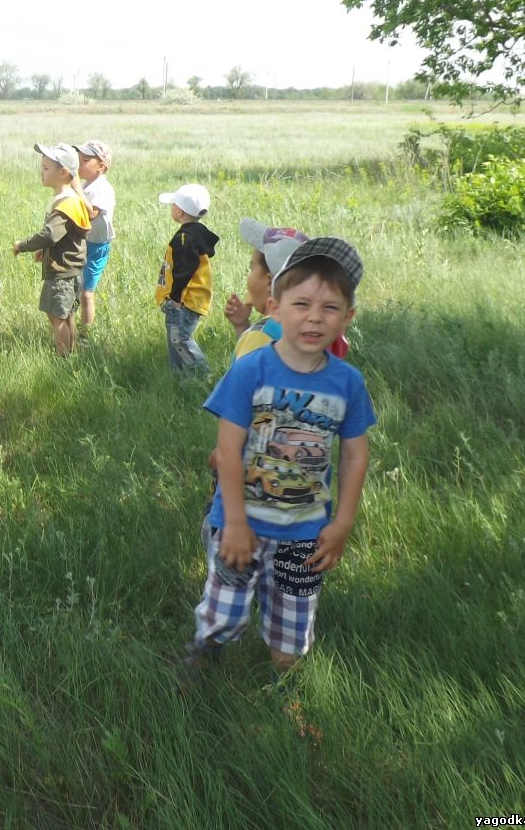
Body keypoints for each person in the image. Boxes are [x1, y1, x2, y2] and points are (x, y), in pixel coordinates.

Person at [185, 238, 375, 688]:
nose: (314, 316)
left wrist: (343, 521)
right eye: (302, 303)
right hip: (241, 524)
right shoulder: (251, 370)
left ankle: (282, 693)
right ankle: (203, 653)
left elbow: (354, 453)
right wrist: (233, 522)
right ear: (274, 307)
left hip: (305, 533)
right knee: (224, 612)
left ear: (347, 317)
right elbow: (227, 451)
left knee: (291, 636)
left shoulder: (347, 383)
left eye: (330, 307)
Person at [12, 143, 91, 357]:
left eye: (47, 168)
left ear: (63, 172)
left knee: (56, 317)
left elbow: (48, 234)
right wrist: (46, 251)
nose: (42, 171)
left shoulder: (65, 205)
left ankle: (63, 359)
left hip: (61, 273)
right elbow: (61, 237)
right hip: (71, 271)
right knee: (67, 315)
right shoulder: (71, 201)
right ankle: (71, 352)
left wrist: (23, 246)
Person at [155, 183, 219, 377]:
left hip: (182, 302)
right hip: (190, 299)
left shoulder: (184, 238)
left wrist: (174, 299)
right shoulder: (196, 233)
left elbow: (184, 271)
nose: (171, 208)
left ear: (180, 211)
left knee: (180, 339)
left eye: (173, 204)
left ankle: (202, 376)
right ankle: (181, 379)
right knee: (176, 340)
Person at [224, 219, 308, 362]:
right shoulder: (311, 329)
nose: (249, 275)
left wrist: (250, 333)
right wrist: (242, 326)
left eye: (251, 268)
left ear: (270, 282)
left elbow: (243, 381)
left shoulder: (259, 336)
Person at [74, 141, 116, 336]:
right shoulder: (85, 185)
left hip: (97, 247)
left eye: (85, 160)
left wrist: (75, 189)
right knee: (75, 288)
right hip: (81, 243)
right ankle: (72, 327)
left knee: (86, 293)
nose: (79, 165)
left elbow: (92, 214)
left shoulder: (102, 189)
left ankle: (85, 333)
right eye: (79, 160)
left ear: (101, 166)